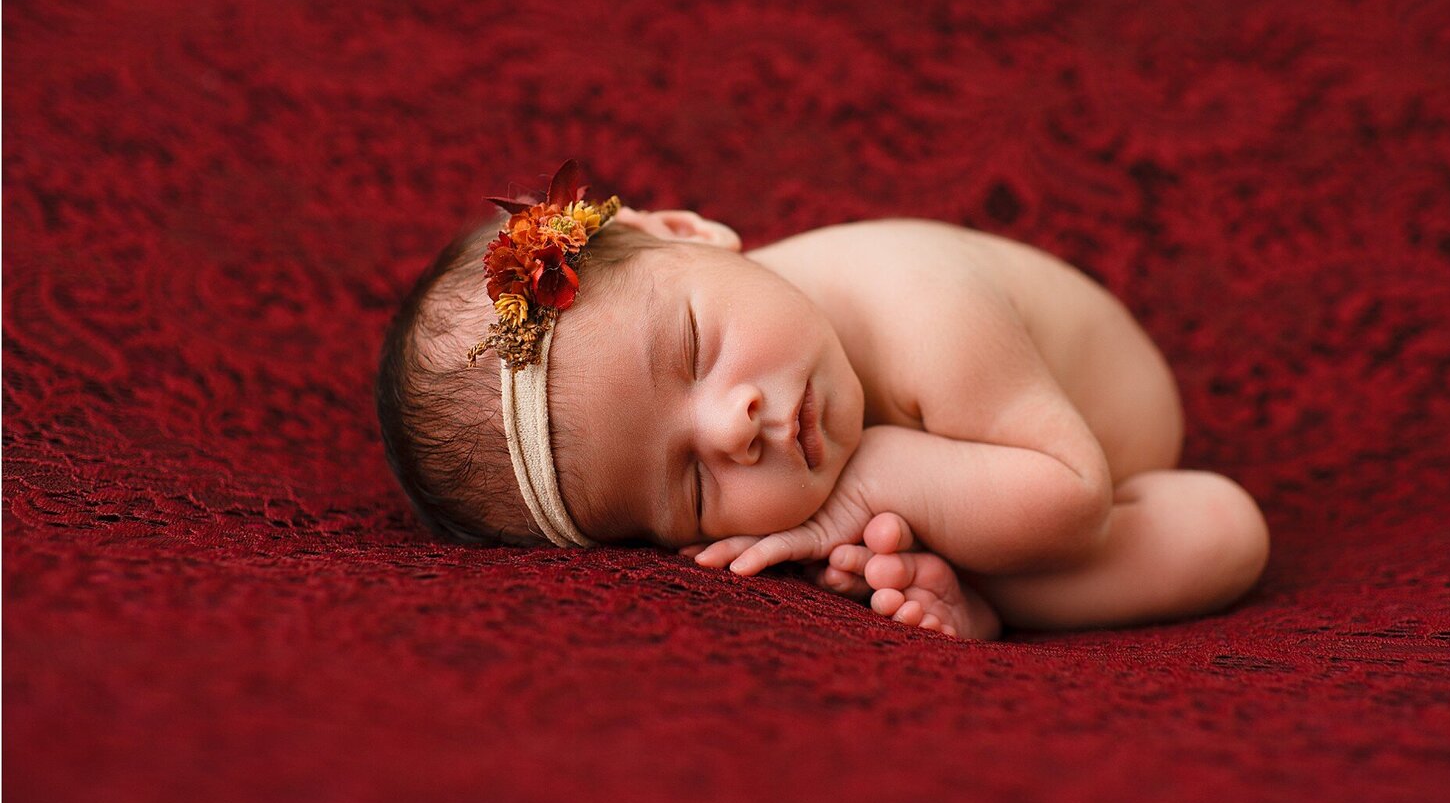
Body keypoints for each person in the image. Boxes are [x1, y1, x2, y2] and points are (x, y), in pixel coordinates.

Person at [376, 161, 1270, 640]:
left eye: (695, 349)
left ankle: (1001, 590)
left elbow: (1072, 505)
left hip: (1100, 470)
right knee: (870, 559)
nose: (734, 426)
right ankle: (980, 601)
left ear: (691, 236)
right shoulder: (784, 389)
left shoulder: (924, 305)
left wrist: (872, 481)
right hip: (995, 500)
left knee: (1227, 531)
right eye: (690, 487)